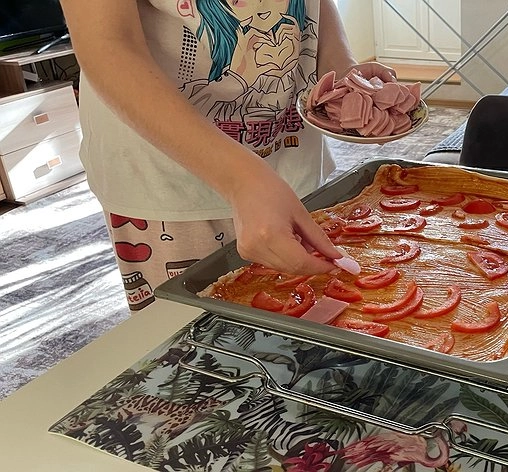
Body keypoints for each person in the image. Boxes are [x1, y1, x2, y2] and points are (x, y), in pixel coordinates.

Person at [59, 0, 396, 311]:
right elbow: (107, 44)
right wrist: (242, 181)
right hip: (169, 182)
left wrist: (342, 77)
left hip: (289, 153)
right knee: (192, 338)